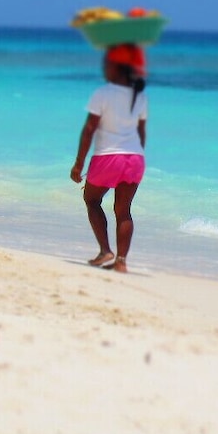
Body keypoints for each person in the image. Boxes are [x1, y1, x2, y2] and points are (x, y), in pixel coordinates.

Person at [70, 43, 149, 273]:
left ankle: (106, 251)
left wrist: (78, 164)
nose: (104, 68)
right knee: (123, 211)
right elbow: (141, 132)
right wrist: (135, 157)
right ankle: (121, 261)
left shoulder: (103, 93)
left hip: (108, 157)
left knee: (92, 200)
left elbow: (89, 129)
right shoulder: (139, 96)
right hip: (134, 158)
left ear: (115, 68)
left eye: (107, 64)